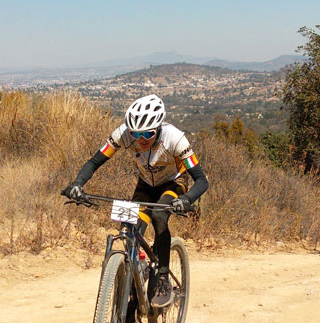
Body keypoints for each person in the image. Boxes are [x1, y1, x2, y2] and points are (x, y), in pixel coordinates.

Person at [62, 94, 209, 307]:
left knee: (159, 216)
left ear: (158, 128)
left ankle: (162, 278)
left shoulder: (176, 139)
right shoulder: (122, 134)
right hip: (145, 186)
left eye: (147, 133)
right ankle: (132, 288)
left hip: (173, 184)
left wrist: (186, 200)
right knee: (130, 229)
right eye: (135, 133)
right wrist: (77, 184)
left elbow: (201, 180)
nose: (140, 138)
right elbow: (95, 161)